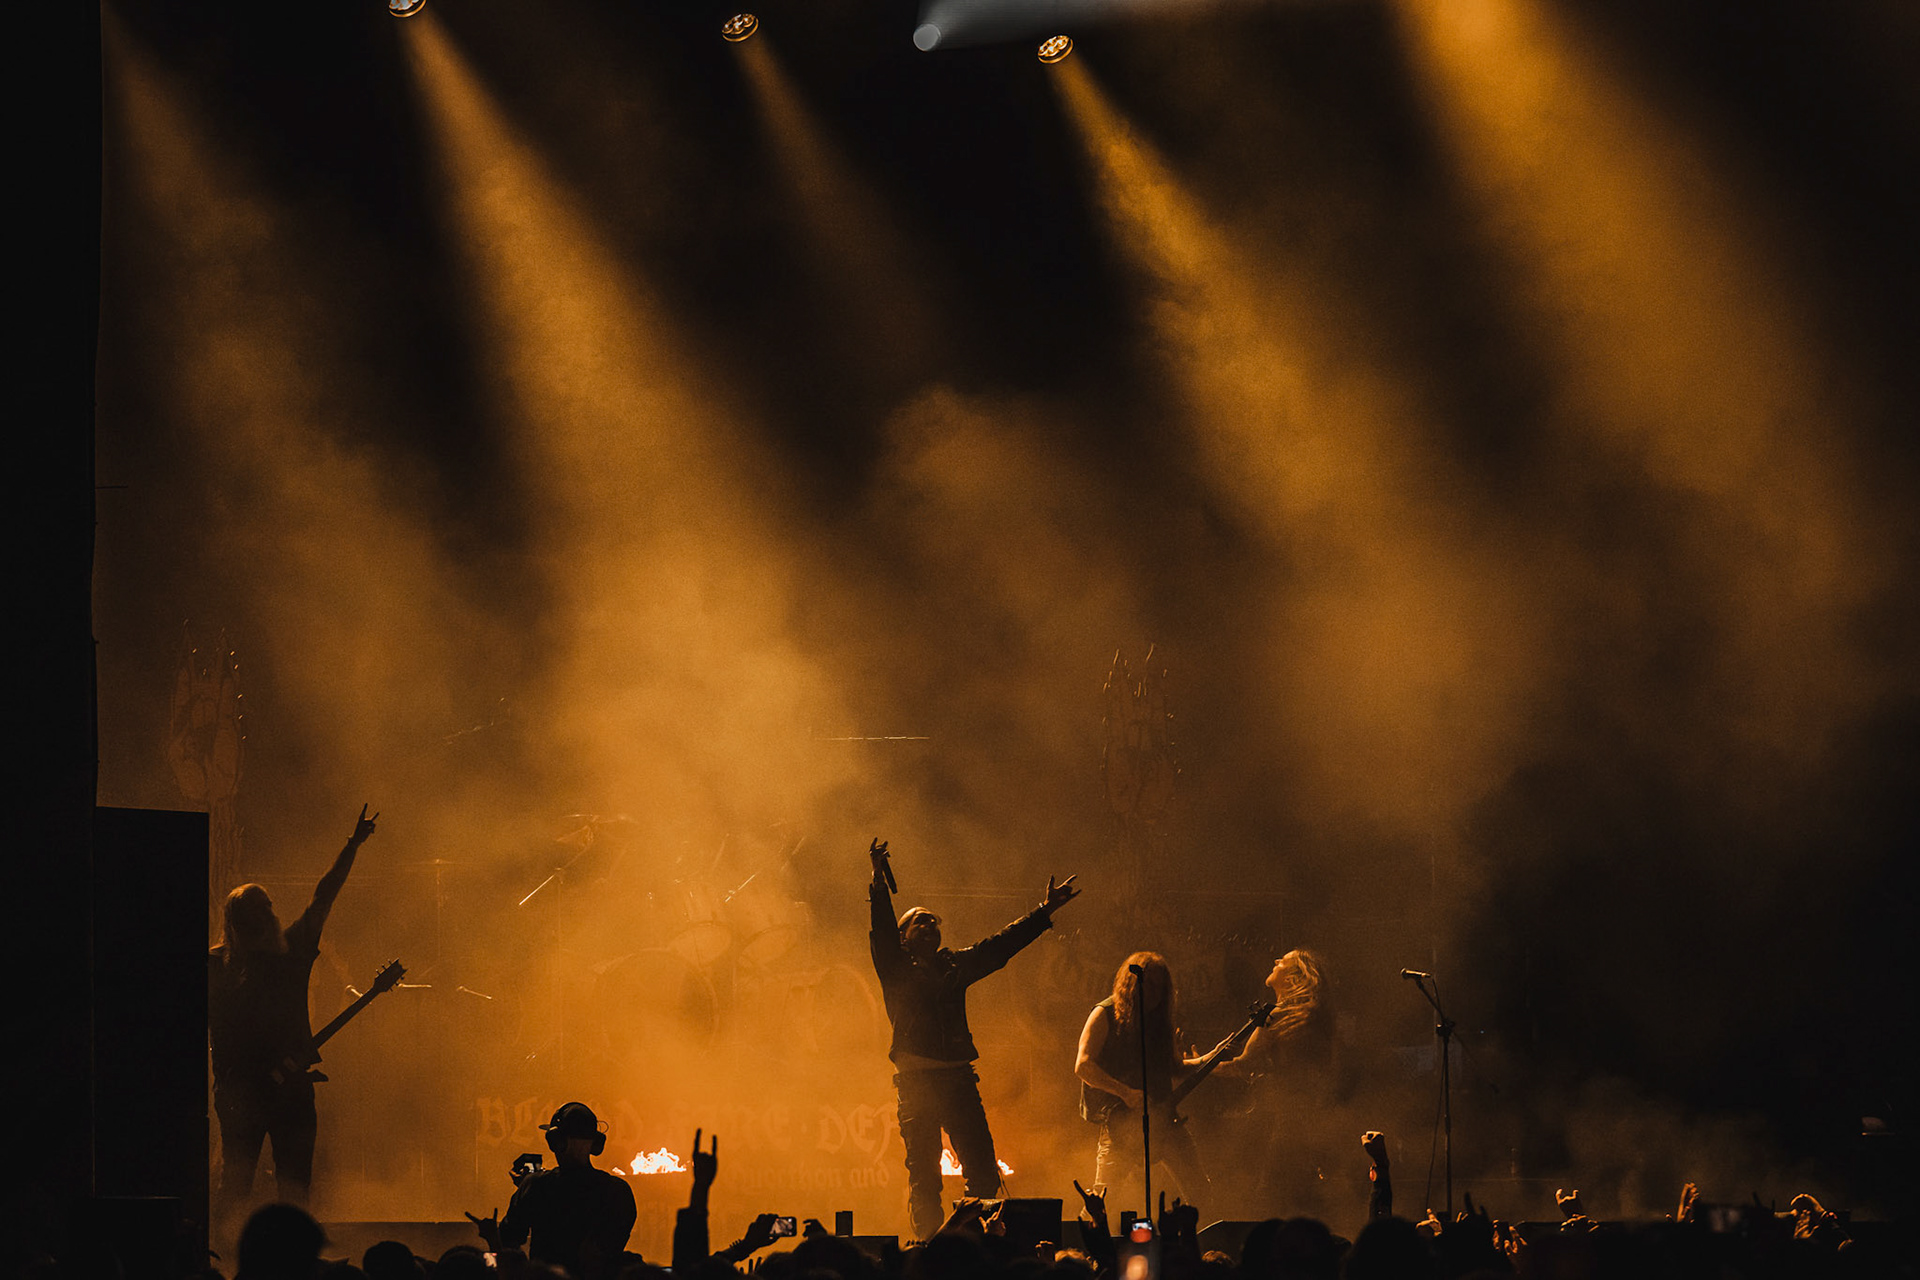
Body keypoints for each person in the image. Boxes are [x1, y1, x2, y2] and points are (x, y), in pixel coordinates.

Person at [866, 837, 1080, 1241]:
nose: (930, 925)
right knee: (926, 1177)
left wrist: (1044, 912)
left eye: (934, 921)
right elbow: (879, 929)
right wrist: (878, 879)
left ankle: (975, 1247)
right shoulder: (894, 968)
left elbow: (999, 948)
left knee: (983, 1172)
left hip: (960, 1081)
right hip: (917, 1085)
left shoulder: (954, 965)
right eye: (920, 921)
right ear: (904, 936)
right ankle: (929, 1249)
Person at [209, 804, 379, 1213]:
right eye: (261, 910)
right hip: (247, 1093)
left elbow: (324, 895)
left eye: (268, 907)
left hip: (271, 1090)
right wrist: (352, 845)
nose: (270, 915)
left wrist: (352, 846)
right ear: (242, 922)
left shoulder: (274, 955)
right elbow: (322, 897)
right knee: (246, 1184)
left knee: (285, 1185)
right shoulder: (220, 964)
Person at [1073, 952, 1221, 1208]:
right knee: (1103, 1200)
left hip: (1165, 1117)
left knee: (1200, 1192)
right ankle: (1088, 1245)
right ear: (1132, 984)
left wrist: (1211, 1057)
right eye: (1149, 985)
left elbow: (1173, 1067)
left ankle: (1200, 1244)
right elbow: (1084, 1065)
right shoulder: (1104, 1013)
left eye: (1161, 987)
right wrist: (1126, 1093)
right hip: (1121, 1123)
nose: (1155, 993)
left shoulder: (1159, 1020)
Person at [469, 1101, 637, 1280]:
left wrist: (527, 1189)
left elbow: (508, 1246)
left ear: (556, 1141)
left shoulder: (536, 1186)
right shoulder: (618, 1191)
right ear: (596, 1144)